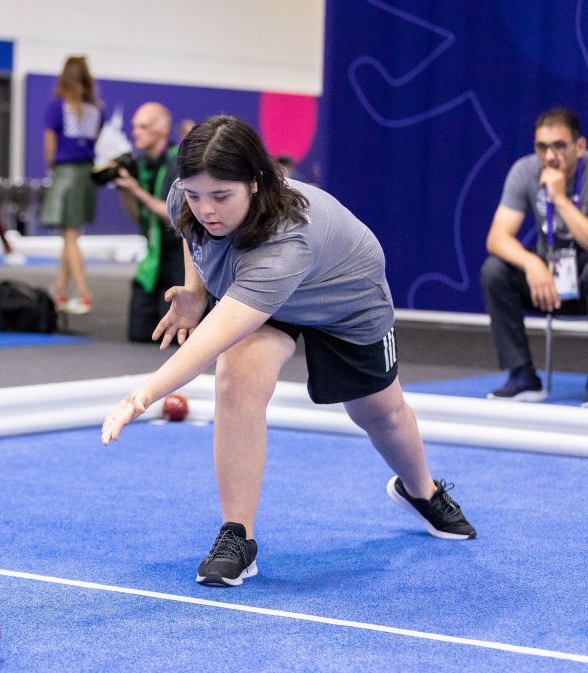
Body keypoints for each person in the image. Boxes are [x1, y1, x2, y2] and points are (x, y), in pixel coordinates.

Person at [101, 115, 476, 588]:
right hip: (261, 293)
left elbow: (207, 341)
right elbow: (189, 233)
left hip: (345, 297)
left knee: (380, 414)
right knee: (237, 376)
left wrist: (143, 394)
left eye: (221, 197)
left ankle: (421, 490)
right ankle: (237, 535)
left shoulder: (287, 242)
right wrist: (195, 291)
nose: (206, 209)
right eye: (196, 195)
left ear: (255, 183)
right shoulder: (188, 194)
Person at [480, 107, 588, 406]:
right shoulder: (525, 170)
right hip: (548, 282)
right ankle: (522, 376)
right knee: (495, 271)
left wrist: (560, 199)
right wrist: (532, 264)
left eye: (559, 146)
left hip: (584, 277)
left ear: (580, 146)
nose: (550, 156)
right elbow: (497, 237)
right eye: (542, 147)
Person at [113, 102, 185, 342]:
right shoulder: (141, 164)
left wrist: (137, 191)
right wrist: (125, 190)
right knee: (138, 333)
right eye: (134, 127)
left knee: (175, 337)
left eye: (143, 127)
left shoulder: (180, 162)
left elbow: (176, 216)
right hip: (153, 256)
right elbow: (139, 217)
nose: (135, 133)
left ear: (162, 129)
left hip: (181, 256)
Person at [40, 55, 105, 314]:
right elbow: (95, 142)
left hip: (66, 173)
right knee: (71, 235)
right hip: (86, 173)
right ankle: (59, 288)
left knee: (69, 236)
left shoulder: (57, 106)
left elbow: (50, 145)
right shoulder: (97, 109)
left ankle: (82, 293)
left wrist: (53, 167)